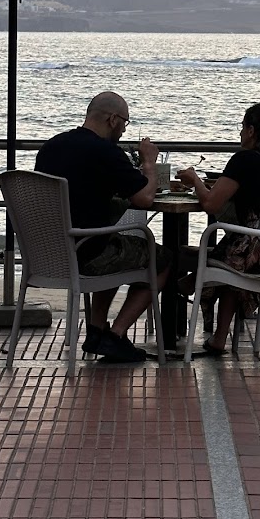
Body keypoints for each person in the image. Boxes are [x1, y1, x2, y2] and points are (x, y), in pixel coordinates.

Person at [35, 91, 171, 362]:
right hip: (87, 255)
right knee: (164, 258)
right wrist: (148, 163)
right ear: (112, 119)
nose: (123, 131)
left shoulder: (51, 146)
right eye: (125, 123)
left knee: (114, 241)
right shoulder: (106, 152)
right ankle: (115, 335)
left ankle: (97, 331)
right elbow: (143, 198)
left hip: (48, 254)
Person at [176, 102, 260, 355]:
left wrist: (195, 181)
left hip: (254, 254)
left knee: (202, 257)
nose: (240, 134)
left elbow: (211, 203)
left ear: (250, 130)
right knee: (230, 258)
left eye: (242, 127)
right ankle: (218, 338)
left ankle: (182, 287)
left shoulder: (245, 159)